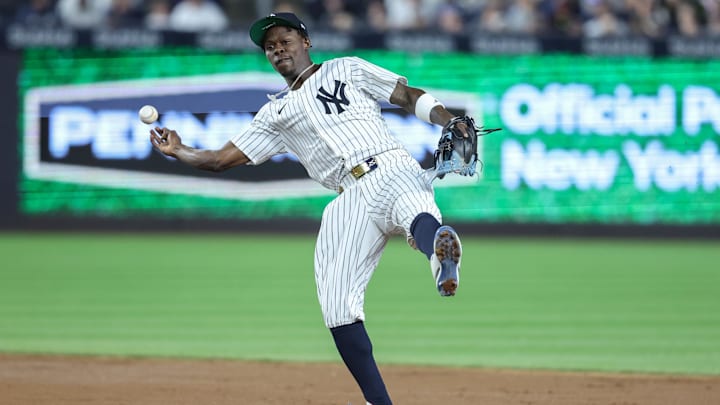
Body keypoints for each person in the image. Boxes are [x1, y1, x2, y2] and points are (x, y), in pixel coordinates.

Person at [150, 12, 472, 405]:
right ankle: (379, 401)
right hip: (347, 198)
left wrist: (447, 119)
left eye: (284, 39)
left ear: (306, 41)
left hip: (387, 163)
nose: (277, 48)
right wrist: (178, 150)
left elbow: (406, 95)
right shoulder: (275, 113)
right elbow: (221, 159)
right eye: (269, 46)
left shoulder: (346, 68)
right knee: (338, 308)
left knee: (413, 207)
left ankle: (439, 254)